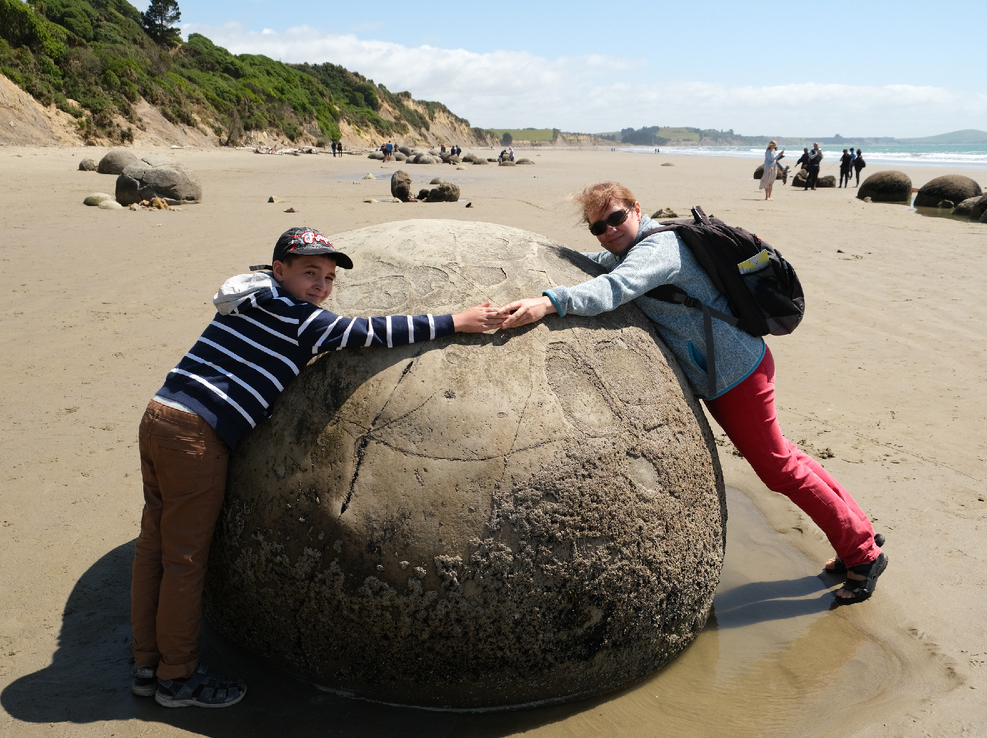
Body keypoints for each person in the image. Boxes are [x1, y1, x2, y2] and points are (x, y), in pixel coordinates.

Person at [130, 227, 507, 708]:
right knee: (184, 560)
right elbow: (366, 333)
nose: (321, 287)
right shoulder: (300, 319)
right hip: (197, 437)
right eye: (310, 272)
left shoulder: (253, 296)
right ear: (280, 269)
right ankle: (176, 678)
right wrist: (458, 319)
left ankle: (146, 664)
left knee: (153, 547)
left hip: (160, 416)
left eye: (329, 278)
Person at [497, 182, 887, 605]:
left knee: (779, 469)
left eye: (615, 218)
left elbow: (615, 288)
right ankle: (860, 533)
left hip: (736, 373)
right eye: (597, 227)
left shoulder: (657, 250)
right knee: (787, 458)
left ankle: (863, 555)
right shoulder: (632, 249)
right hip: (727, 370)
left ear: (635, 209)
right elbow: (601, 264)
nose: (608, 231)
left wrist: (549, 303)